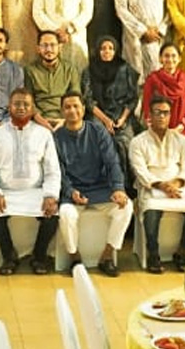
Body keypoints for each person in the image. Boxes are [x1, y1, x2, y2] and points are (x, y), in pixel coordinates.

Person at [0, 88, 62, 275]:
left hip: (36, 192)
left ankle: (39, 256)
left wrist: (50, 195)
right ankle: (9, 256)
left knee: (53, 213)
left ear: (33, 108)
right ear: (9, 107)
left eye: (26, 104)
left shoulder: (44, 134)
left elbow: (52, 170)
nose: (21, 108)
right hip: (5, 193)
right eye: (17, 104)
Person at [55, 93, 132, 276]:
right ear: (62, 111)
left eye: (76, 106)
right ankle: (74, 258)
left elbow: (112, 162)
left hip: (100, 189)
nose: (72, 110)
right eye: (67, 107)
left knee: (125, 207)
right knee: (66, 214)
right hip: (73, 192)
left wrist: (118, 189)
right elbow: (58, 172)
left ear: (83, 109)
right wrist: (70, 191)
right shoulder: (56, 137)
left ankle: (107, 256)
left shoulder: (98, 131)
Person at [130, 97, 185, 273]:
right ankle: (153, 254)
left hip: (178, 185)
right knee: (151, 211)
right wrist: (162, 186)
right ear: (149, 115)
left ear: (170, 115)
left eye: (166, 113)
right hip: (152, 186)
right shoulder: (138, 141)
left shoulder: (181, 140)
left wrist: (176, 183)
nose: (162, 116)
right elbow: (140, 171)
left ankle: (182, 251)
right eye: (158, 112)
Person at [82, 36, 139, 173]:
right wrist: (106, 120)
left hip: (121, 114)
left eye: (110, 48)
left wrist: (122, 119)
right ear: (98, 50)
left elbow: (132, 98)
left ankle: (126, 181)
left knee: (126, 141)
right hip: (98, 114)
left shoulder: (125, 69)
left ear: (116, 51)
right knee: (96, 139)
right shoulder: (90, 70)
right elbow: (88, 100)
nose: (107, 51)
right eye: (103, 48)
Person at [24, 30, 81, 130]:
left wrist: (64, 121)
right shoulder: (30, 71)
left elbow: (75, 98)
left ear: (59, 47)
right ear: (38, 49)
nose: (49, 49)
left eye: (52, 45)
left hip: (66, 119)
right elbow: (28, 101)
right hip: (39, 121)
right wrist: (42, 122)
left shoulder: (70, 69)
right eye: (44, 45)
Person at [141, 43, 185, 139]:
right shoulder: (152, 80)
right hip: (158, 134)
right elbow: (147, 109)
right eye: (166, 56)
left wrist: (179, 128)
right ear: (160, 59)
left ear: (179, 59)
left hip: (182, 134)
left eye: (173, 56)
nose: (170, 59)